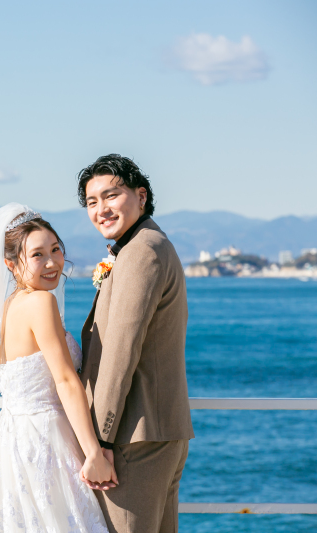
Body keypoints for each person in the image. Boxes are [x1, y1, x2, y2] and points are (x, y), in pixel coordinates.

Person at [0, 203, 113, 533]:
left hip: (12, 436)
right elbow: (64, 380)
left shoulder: (10, 305)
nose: (52, 263)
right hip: (45, 439)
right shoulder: (40, 302)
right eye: (37, 255)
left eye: (55, 249)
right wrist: (94, 453)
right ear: (10, 264)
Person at [77, 154, 194, 533]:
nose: (101, 209)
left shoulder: (142, 250)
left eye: (111, 195)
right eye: (92, 202)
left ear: (141, 196)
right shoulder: (145, 245)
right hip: (157, 430)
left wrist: (100, 441)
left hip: (134, 437)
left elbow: (120, 353)